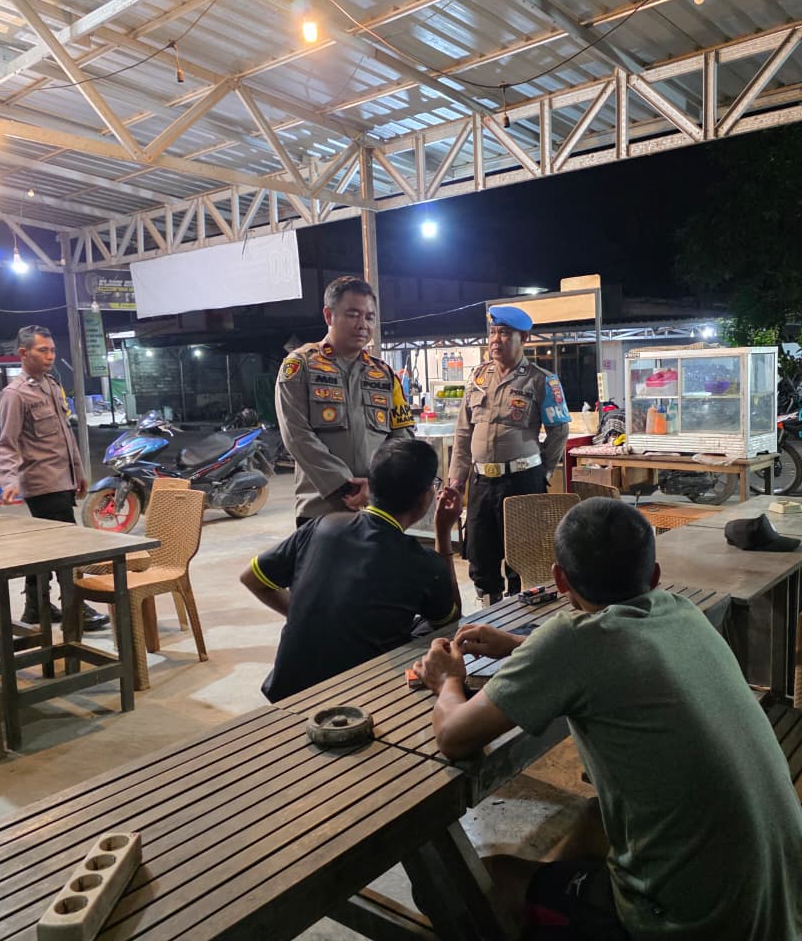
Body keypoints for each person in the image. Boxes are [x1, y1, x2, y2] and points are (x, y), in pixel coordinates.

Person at [413, 498, 802, 939]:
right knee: (594, 818)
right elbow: (607, 651)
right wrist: (519, 645)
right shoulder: (681, 611)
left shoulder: (571, 642)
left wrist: (447, 680)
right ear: (655, 575)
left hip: (700, 924)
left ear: (559, 580)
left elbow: (453, 736)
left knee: (477, 881)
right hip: (782, 893)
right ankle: (557, 905)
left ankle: (552, 912)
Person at [240, 438, 462, 702]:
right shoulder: (422, 562)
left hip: (286, 689)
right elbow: (449, 623)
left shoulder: (322, 526)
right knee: (434, 637)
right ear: (426, 496)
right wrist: (443, 533)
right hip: (356, 698)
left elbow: (251, 578)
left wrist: (308, 616)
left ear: (371, 486)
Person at [446, 305, 570, 604]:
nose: (495, 340)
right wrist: (455, 480)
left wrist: (541, 472)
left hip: (521, 482)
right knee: (480, 556)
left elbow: (559, 432)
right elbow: (463, 433)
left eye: (504, 333)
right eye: (493, 333)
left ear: (523, 338)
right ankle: (488, 613)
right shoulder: (478, 377)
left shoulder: (541, 380)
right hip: (481, 483)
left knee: (523, 558)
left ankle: (521, 617)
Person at [275, 276, 415, 527]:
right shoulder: (301, 366)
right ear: (328, 316)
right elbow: (296, 435)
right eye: (353, 314)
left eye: (369, 317)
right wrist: (344, 486)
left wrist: (377, 486)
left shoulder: (385, 375)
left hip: (377, 507)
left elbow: (402, 438)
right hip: (321, 509)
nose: (362, 324)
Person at [0, 325, 107, 631]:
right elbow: (7, 442)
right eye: (42, 350)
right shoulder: (15, 394)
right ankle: (75, 606)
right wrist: (9, 480)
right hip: (42, 483)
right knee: (66, 547)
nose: (50, 356)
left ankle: (36, 606)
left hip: (63, 479)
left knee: (43, 547)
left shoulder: (51, 385)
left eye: (52, 350)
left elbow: (65, 436)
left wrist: (79, 473)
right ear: (23, 353)